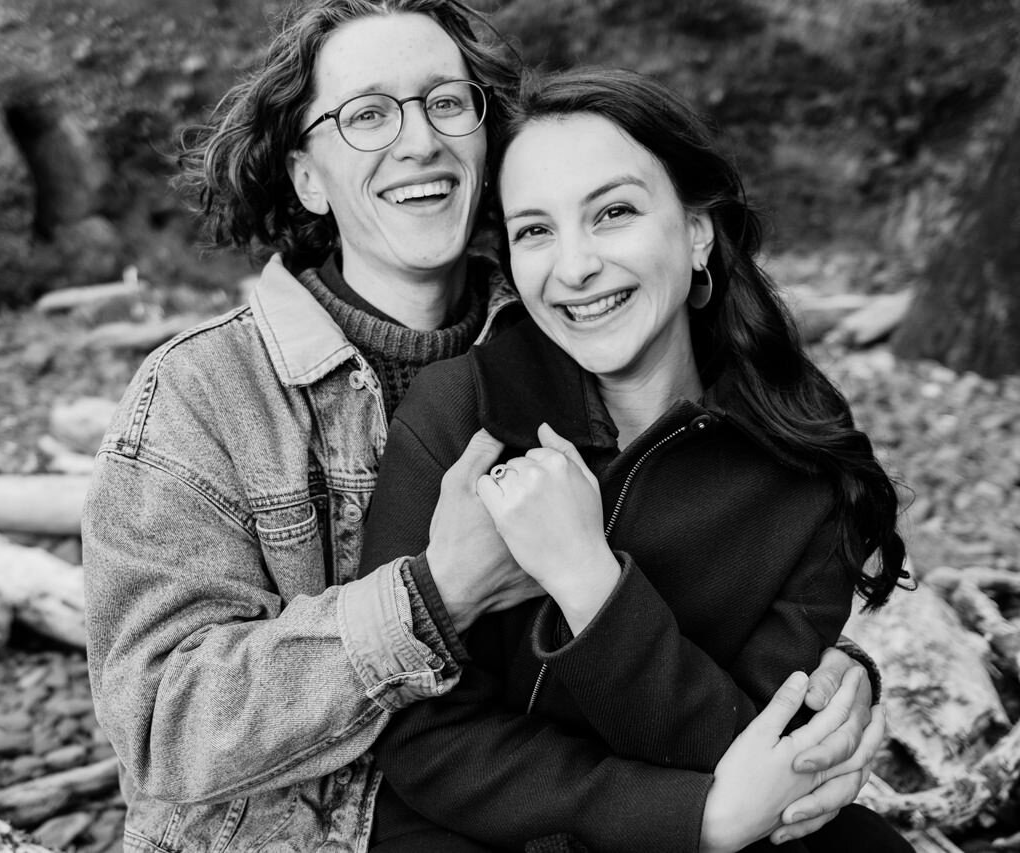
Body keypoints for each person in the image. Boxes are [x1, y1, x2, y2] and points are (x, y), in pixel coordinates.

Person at [81, 3, 888, 851]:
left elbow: (729, 560)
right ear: (308, 178)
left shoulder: (571, 331)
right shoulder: (204, 391)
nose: (418, 140)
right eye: (366, 115)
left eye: (445, 102)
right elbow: (160, 725)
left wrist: (830, 680)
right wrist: (436, 594)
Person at [359, 66, 911, 852]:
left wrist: (589, 580)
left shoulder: (804, 450)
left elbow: (757, 756)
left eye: (612, 212)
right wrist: (689, 818)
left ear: (695, 232)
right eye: (535, 230)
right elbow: (420, 734)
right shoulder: (465, 413)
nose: (575, 266)